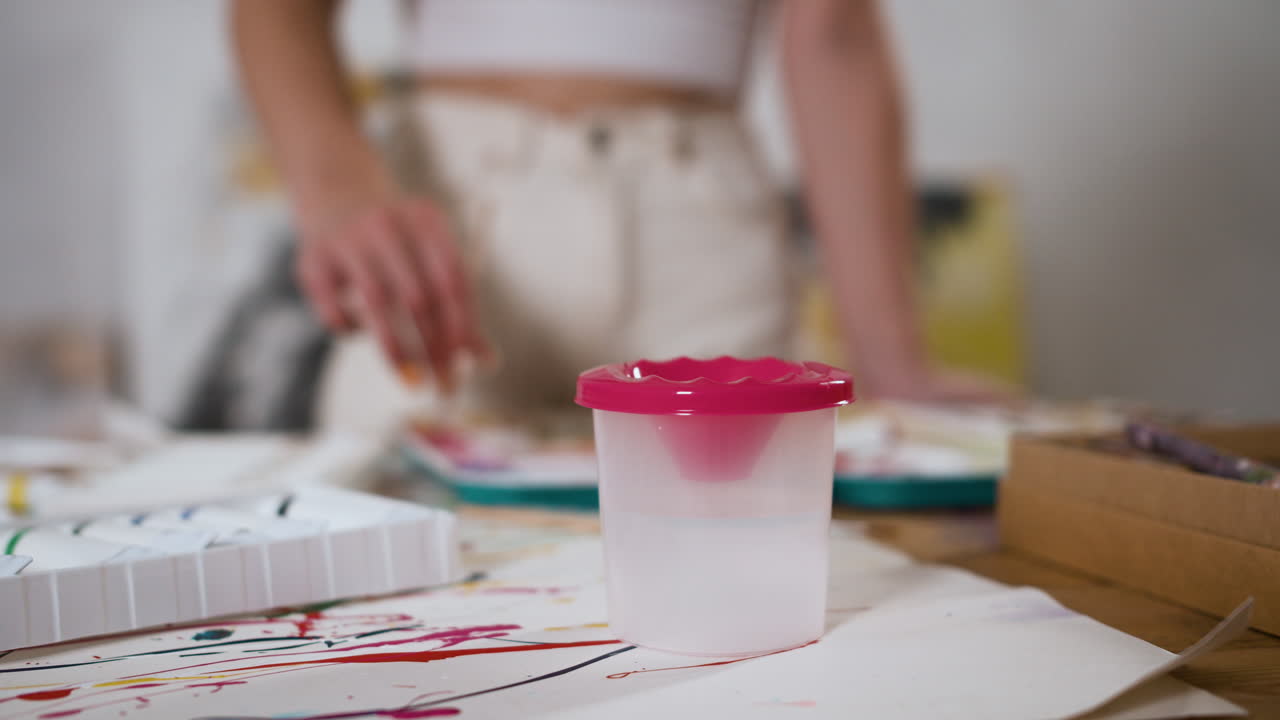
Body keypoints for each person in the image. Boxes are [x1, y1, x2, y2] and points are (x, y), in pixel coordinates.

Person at [231, 0, 1004, 430]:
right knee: (393, 545)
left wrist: (892, 357)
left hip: (701, 242)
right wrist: (337, 188)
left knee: (746, 571)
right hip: (451, 235)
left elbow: (831, 25)